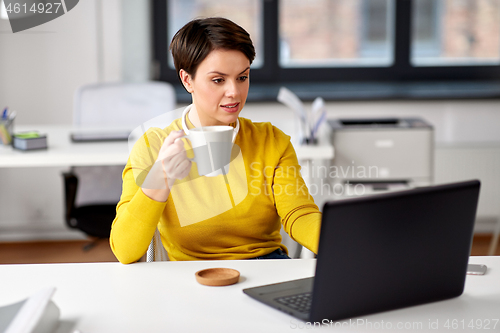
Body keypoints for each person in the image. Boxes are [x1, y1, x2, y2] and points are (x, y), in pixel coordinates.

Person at [110, 17, 321, 264]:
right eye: (218, 80)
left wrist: (343, 243)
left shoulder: (271, 140)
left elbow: (299, 214)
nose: (234, 91)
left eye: (242, 77)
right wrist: (160, 177)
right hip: (193, 278)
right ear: (187, 80)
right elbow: (124, 250)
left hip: (266, 267)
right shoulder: (153, 147)